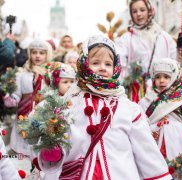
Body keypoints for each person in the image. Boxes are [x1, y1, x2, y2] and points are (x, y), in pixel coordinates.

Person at [37, 35, 172, 180]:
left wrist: (159, 176)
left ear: (115, 68)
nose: (102, 68)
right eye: (96, 63)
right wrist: (53, 153)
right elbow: (59, 140)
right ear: (84, 65)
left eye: (108, 64)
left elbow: (146, 149)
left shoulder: (128, 109)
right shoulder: (69, 104)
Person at [139, 58, 182, 179]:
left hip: (181, 147)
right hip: (154, 146)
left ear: (175, 77)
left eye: (166, 77)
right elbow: (140, 123)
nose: (162, 80)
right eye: (158, 77)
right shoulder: (146, 101)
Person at [115, 0, 182, 103]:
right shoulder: (126, 39)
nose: (139, 14)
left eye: (142, 10)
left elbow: (180, 69)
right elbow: (119, 69)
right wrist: (132, 76)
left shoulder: (164, 37)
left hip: (164, 94)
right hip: (138, 96)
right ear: (131, 14)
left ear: (149, 10)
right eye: (134, 11)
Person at [2, 39, 52, 155]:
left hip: (44, 119)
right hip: (24, 118)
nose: (37, 56)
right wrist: (7, 97)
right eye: (34, 52)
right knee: (25, 154)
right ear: (30, 54)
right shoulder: (22, 74)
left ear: (47, 55)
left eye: (41, 53)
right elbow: (16, 96)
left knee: (42, 154)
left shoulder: (50, 74)